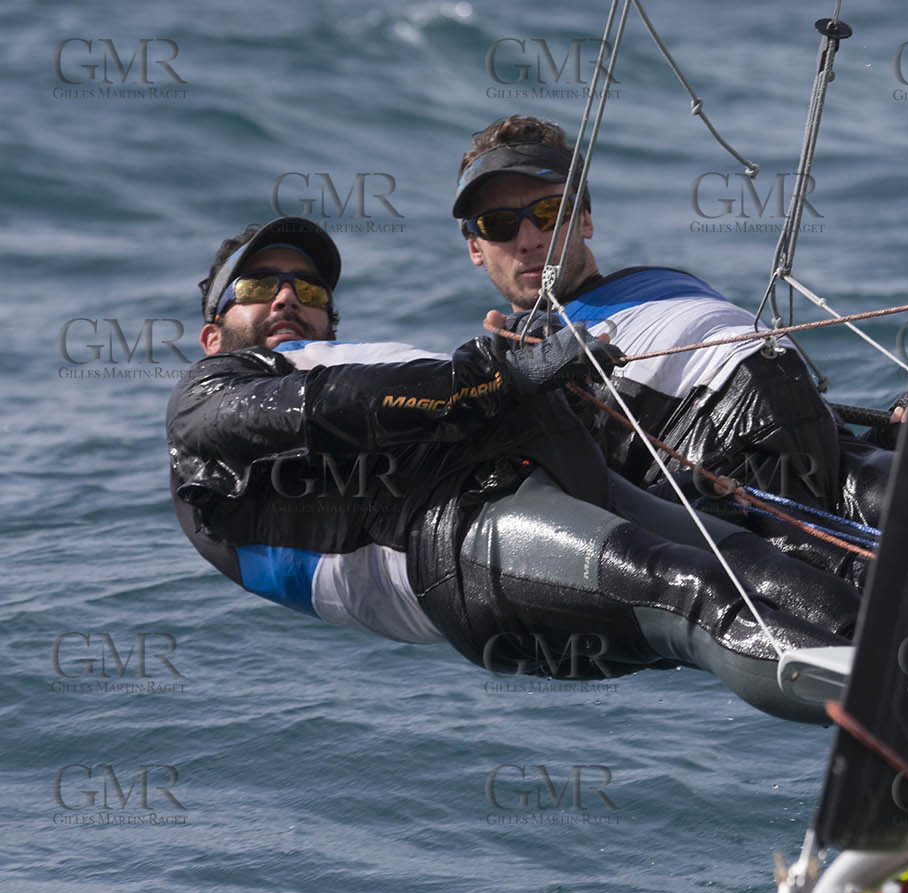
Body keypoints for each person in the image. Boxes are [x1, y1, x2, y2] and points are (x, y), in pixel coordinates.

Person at [167, 216, 862, 723]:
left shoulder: (362, 355)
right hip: (455, 540)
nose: (289, 298)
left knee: (757, 557)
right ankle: (907, 718)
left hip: (542, 476)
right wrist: (485, 381)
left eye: (310, 291)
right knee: (695, 589)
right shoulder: (206, 399)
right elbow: (320, 408)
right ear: (211, 331)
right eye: (260, 285)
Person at [450, 115, 899, 583]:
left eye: (548, 213)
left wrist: (888, 435)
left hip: (816, 434)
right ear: (475, 248)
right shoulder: (523, 343)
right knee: (882, 581)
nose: (528, 240)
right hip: (720, 473)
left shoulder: (660, 280)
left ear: (583, 219)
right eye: (499, 224)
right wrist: (518, 377)